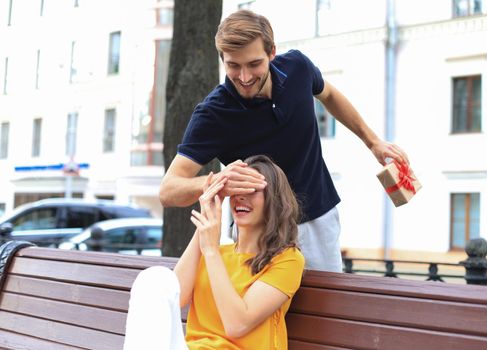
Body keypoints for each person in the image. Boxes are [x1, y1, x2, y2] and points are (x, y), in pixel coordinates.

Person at [159, 9, 409, 272]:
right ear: (223, 59)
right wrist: (220, 182)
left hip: (317, 218)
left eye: (254, 64)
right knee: (257, 312)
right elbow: (169, 190)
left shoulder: (298, 68)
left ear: (272, 53)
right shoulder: (212, 113)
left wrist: (373, 142)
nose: (244, 78)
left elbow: (330, 95)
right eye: (233, 65)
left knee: (323, 308)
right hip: (257, 231)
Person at [124, 155, 305, 350]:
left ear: (274, 200)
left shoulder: (287, 259)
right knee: (154, 278)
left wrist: (210, 249)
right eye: (236, 188)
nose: (241, 195)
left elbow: (237, 324)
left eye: (252, 189)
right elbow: (176, 297)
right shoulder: (218, 253)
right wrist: (206, 218)